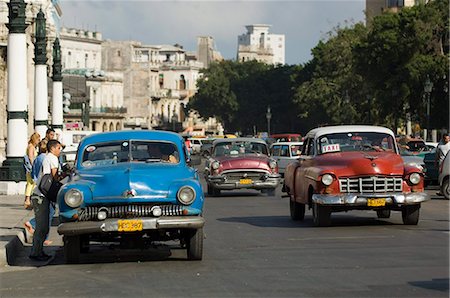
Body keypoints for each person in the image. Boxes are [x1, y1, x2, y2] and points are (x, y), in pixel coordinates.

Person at [29, 139, 63, 261]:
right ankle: (35, 252)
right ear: (53, 148)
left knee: (42, 227)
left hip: (40, 195)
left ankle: (38, 250)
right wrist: (64, 176)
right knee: (42, 227)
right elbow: (54, 177)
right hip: (41, 197)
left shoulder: (47, 157)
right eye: (59, 148)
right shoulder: (53, 158)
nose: (60, 150)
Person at [24, 139, 55, 246]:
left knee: (42, 218)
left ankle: (37, 248)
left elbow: (34, 172)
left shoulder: (39, 158)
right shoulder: (48, 159)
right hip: (44, 191)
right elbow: (51, 176)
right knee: (45, 219)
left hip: (38, 188)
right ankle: (39, 247)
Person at [24, 132, 40, 209]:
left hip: (30, 168)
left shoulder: (31, 146)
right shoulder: (31, 147)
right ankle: (27, 200)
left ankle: (28, 199)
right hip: (31, 168)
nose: (39, 141)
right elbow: (31, 157)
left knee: (31, 183)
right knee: (31, 183)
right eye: (38, 139)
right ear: (35, 139)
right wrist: (34, 166)